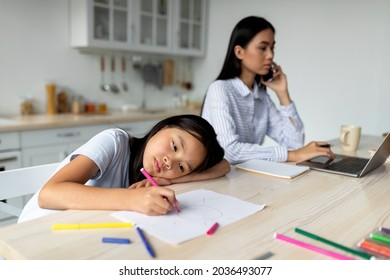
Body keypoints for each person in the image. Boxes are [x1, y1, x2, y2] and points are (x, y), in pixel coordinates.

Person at [18, 114, 230, 223]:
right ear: (164, 126)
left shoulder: (156, 176)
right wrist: (132, 200)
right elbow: (49, 194)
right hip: (36, 233)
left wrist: (173, 179)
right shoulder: (114, 141)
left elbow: (223, 166)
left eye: (182, 166)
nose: (169, 162)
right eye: (174, 146)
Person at [201, 16, 334, 164]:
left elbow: (295, 144)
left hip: (246, 177)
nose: (270, 55)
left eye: (272, 47)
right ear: (239, 52)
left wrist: (283, 93)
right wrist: (292, 155)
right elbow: (229, 152)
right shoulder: (220, 89)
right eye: (263, 48)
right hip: (220, 181)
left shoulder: (261, 96)